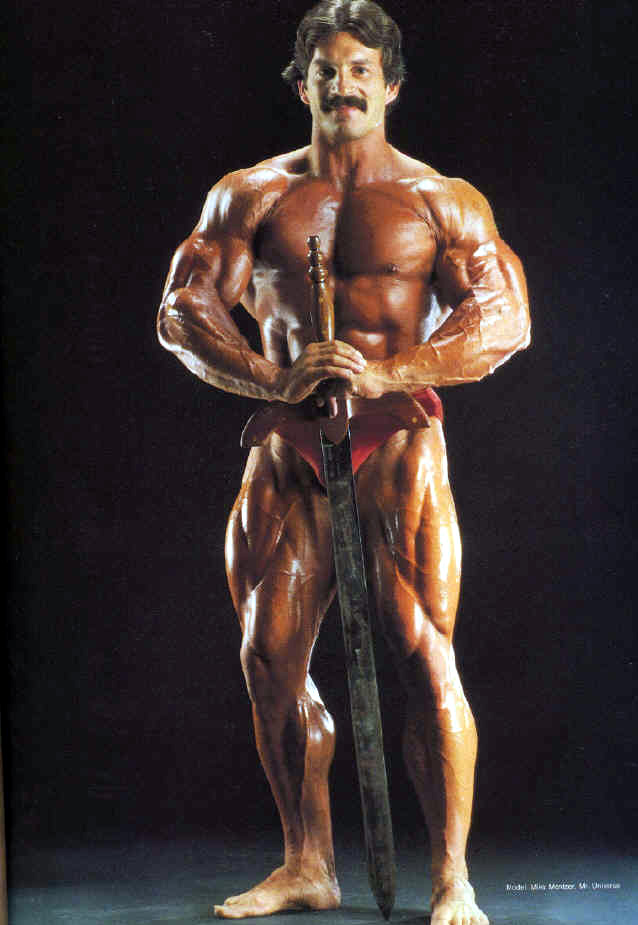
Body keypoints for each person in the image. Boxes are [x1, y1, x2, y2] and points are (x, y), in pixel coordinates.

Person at [157, 2, 530, 923]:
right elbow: (183, 310)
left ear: (391, 85)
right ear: (303, 86)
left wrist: (393, 371)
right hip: (290, 447)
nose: (344, 84)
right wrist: (272, 377)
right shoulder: (250, 194)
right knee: (268, 656)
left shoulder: (442, 198)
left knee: (426, 656)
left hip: (396, 443)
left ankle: (452, 877)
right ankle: (307, 864)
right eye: (326, 69)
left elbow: (505, 317)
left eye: (361, 69)